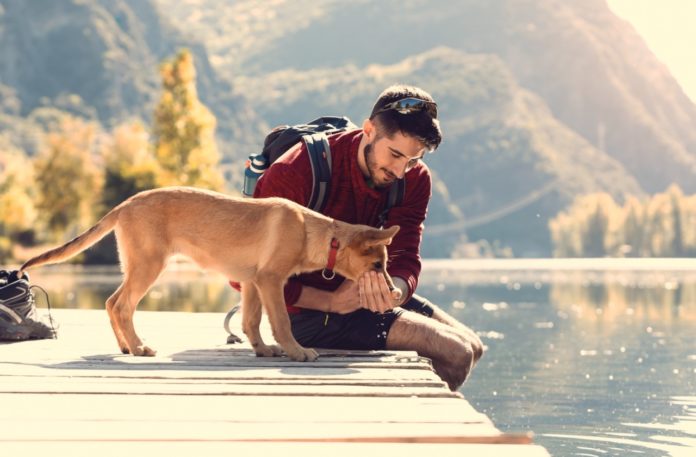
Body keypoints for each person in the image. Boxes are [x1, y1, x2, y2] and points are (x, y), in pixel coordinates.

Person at [253, 84, 483, 390]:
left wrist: (395, 293)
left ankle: (407, 418)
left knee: (473, 347)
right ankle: (408, 428)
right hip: (305, 314)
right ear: (369, 130)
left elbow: (406, 257)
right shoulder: (298, 170)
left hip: (364, 300)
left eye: (413, 160)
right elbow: (245, 273)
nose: (401, 171)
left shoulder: (414, 179)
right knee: (455, 353)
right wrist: (332, 301)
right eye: (395, 155)